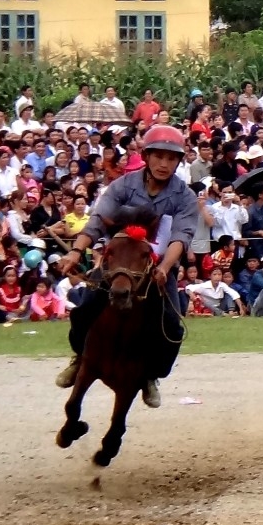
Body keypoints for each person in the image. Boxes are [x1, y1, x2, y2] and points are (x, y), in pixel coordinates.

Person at [54, 125, 197, 409]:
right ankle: (79, 356)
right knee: (84, 308)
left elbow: (181, 237)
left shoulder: (184, 196)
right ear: (146, 156)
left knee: (171, 326)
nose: (164, 164)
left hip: (157, 268)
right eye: (159, 157)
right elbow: (97, 222)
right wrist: (76, 251)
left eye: (171, 159)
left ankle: (150, 376)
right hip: (117, 264)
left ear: (179, 162)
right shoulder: (122, 186)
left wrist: (165, 268)